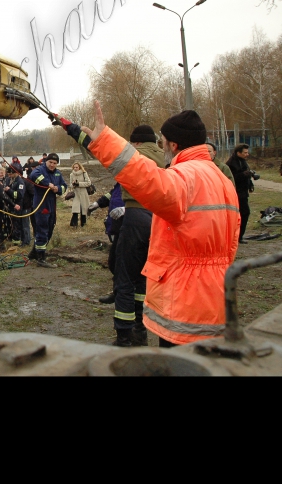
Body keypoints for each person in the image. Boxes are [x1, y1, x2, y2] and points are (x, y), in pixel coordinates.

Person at [79, 103, 240, 349]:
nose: (160, 146)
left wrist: (105, 142)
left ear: (173, 145)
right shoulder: (222, 179)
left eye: (162, 141)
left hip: (186, 303)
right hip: (218, 295)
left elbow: (148, 179)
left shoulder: (186, 176)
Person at [107, 125, 165, 348]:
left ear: (137, 142)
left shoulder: (134, 155)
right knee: (143, 275)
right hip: (159, 220)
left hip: (135, 217)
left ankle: (124, 336)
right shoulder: (165, 156)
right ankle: (140, 330)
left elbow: (102, 150)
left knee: (125, 278)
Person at [29, 154, 68, 267]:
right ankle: (41, 258)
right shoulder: (40, 170)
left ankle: (34, 253)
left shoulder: (58, 173)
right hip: (41, 204)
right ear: (46, 161)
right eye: (50, 162)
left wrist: (58, 189)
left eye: (55, 163)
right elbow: (33, 175)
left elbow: (64, 186)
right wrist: (48, 183)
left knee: (50, 228)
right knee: (42, 229)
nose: (52, 165)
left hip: (52, 204)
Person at [89, 183, 125, 305]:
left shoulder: (139, 180)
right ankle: (118, 291)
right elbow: (111, 195)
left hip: (130, 227)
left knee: (122, 263)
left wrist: (129, 210)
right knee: (114, 262)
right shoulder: (120, 182)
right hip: (116, 226)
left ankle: (123, 294)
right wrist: (98, 203)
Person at [227, 145, 254, 244]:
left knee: (245, 213)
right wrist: (244, 175)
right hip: (236, 193)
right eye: (245, 152)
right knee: (240, 214)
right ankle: (236, 236)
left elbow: (246, 175)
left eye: (247, 152)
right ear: (238, 153)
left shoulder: (243, 161)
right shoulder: (231, 163)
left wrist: (250, 183)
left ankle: (239, 236)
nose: (247, 154)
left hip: (243, 192)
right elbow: (231, 178)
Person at [5, 163, 28, 246]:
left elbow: (19, 195)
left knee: (17, 223)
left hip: (17, 205)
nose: (9, 175)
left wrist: (9, 191)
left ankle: (17, 241)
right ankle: (11, 237)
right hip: (10, 205)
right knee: (10, 222)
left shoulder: (20, 182)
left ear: (16, 173)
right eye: (8, 174)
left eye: (11, 174)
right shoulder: (9, 180)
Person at [69, 162, 92, 228]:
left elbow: (88, 183)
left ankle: (83, 224)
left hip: (83, 193)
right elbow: (70, 185)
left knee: (83, 209)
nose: (75, 169)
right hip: (76, 194)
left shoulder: (84, 173)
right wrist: (73, 184)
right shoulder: (71, 174)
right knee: (75, 209)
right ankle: (74, 224)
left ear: (79, 167)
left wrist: (79, 184)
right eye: (74, 167)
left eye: (77, 167)